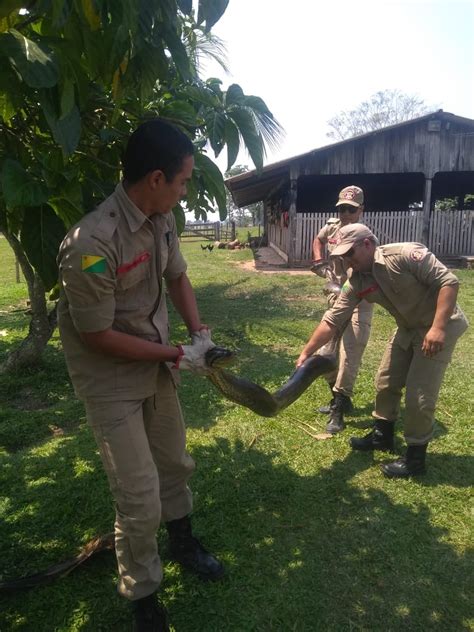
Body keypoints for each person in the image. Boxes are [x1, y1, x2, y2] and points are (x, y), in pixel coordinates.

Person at [57, 119, 223, 632]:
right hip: (111, 378)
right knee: (137, 493)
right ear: (156, 178)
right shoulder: (90, 244)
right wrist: (172, 351)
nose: (186, 189)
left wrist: (198, 335)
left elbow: (178, 276)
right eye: (183, 181)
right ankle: (144, 595)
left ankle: (183, 540)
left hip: (156, 363)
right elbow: (98, 336)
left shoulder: (162, 219)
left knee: (174, 461)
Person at [298, 223, 468, 478]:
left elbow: (448, 282)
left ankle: (415, 459)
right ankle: (382, 436)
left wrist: (438, 328)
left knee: (419, 394)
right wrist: (307, 352)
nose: (346, 260)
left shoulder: (404, 255)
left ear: (367, 244)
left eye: (350, 253)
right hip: (407, 327)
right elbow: (332, 319)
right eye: (342, 256)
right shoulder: (356, 280)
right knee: (386, 382)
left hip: (438, 326)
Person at [311, 185, 374, 434]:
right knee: (327, 353)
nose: (345, 213)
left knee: (350, 354)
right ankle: (337, 398)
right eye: (342, 208)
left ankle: (338, 408)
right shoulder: (332, 227)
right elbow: (319, 238)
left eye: (351, 209)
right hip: (336, 299)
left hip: (360, 301)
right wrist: (318, 261)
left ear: (361, 210)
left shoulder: (365, 236)